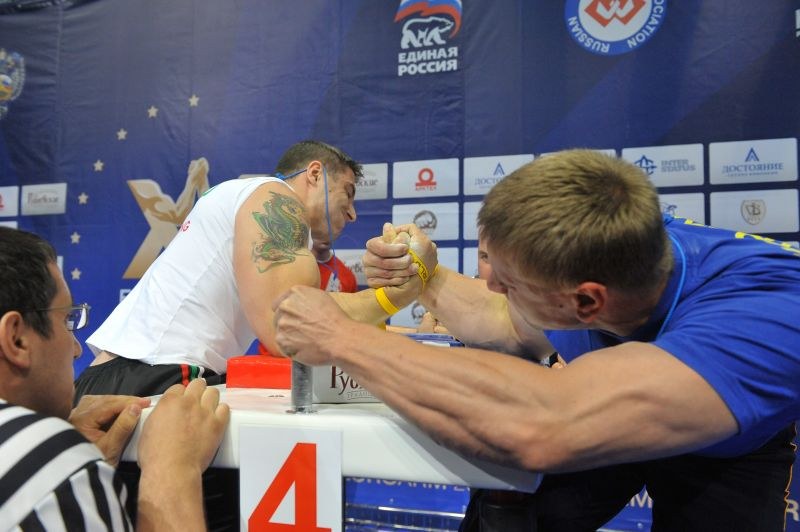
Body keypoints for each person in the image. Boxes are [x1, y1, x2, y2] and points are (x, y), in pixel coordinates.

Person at [272, 149, 800, 531]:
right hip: (592, 396)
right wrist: (426, 278)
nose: (491, 285)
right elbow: (505, 318)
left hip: (725, 451)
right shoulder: (608, 253)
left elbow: (545, 422)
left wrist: (342, 337)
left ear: (588, 304)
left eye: (509, 280)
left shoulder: (766, 314)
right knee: (512, 507)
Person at [75, 139, 421, 400]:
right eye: (348, 193)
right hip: (158, 378)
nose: (353, 214)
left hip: (133, 375)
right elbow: (289, 330)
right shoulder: (276, 199)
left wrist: (421, 338)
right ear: (314, 174)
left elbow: (316, 319)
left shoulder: (242, 195)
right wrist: (398, 295)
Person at [0, 226, 229, 530]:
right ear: (16, 339)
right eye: (67, 319)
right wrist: (170, 470)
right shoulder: (51, 468)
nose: (77, 350)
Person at [257, 237, 358, 356]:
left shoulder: (346, 276)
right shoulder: (284, 265)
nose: (323, 233)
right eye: (319, 224)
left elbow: (350, 320)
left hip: (321, 357)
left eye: (328, 224)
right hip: (273, 356)